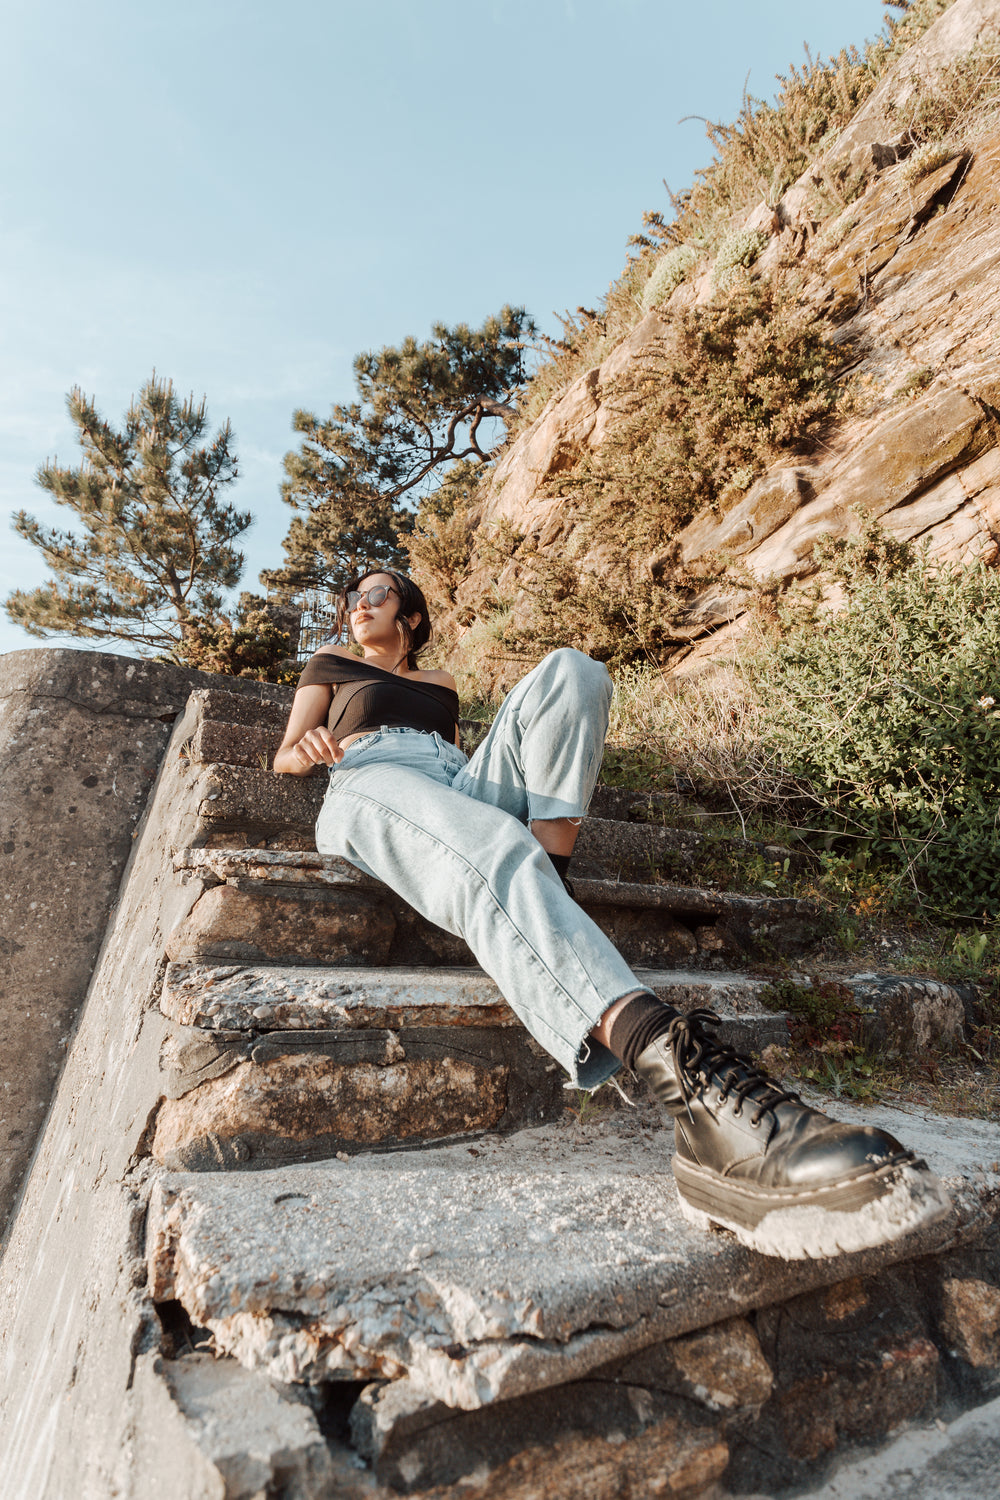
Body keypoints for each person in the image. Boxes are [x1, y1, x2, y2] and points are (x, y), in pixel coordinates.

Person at [275, 569, 948, 1261]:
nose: (361, 603)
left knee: (575, 673)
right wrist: (310, 749)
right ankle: (691, 1096)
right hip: (370, 778)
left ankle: (546, 893)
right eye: (353, 597)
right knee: (494, 844)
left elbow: (478, 751)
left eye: (379, 593)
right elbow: (285, 754)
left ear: (412, 617)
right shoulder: (331, 664)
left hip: (450, 776)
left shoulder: (441, 684)